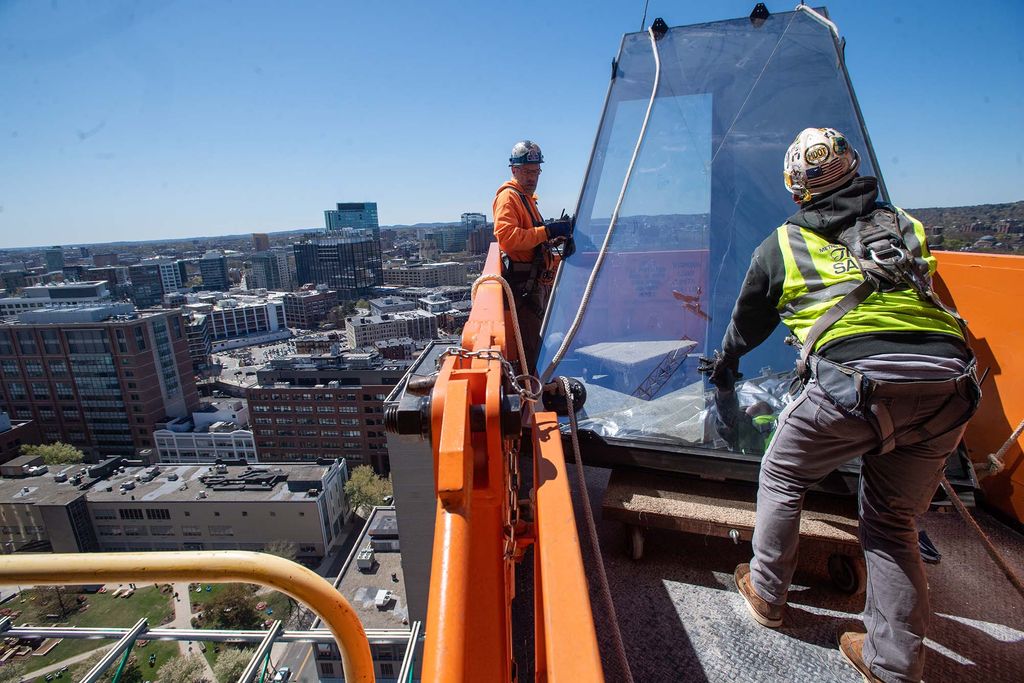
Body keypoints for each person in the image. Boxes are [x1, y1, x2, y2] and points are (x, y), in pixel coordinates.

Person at [705, 127, 979, 682]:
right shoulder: (906, 225)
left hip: (854, 383)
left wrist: (726, 365)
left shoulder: (780, 245)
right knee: (893, 520)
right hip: (950, 385)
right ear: (853, 169)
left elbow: (746, 325)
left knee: (782, 473)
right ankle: (893, 663)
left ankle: (768, 591)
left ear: (795, 187)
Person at [493, 140, 571, 372]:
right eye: (527, 172)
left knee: (535, 343)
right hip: (523, 288)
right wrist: (546, 231)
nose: (532, 178)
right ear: (514, 170)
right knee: (531, 349)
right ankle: (534, 395)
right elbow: (507, 237)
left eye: (536, 172)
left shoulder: (526, 199)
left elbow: (528, 238)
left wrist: (550, 239)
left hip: (531, 282)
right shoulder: (509, 197)